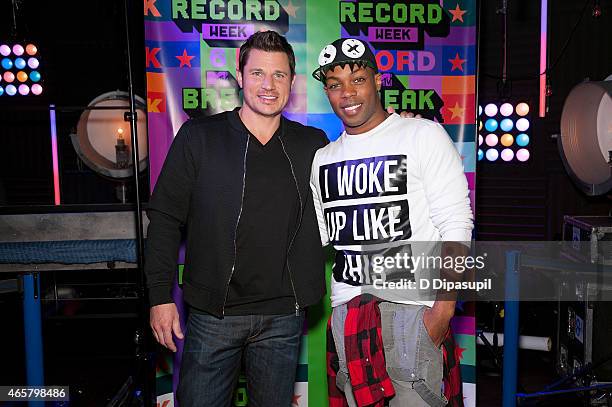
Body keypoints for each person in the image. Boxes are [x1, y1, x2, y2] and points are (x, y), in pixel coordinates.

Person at [144, 31, 328, 406]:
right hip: (214, 315)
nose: (268, 85)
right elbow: (164, 218)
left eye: (279, 75)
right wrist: (159, 296)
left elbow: (362, 171)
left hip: (283, 315)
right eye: (258, 73)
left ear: (292, 82)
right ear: (240, 76)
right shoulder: (200, 137)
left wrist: (402, 130)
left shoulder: (314, 144)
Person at [310, 38, 474, 406]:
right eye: (335, 85)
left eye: (358, 79)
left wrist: (442, 310)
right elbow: (321, 235)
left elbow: (457, 225)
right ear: (326, 92)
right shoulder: (323, 159)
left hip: (413, 313)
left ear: (378, 80)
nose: (347, 93)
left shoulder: (422, 135)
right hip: (349, 314)